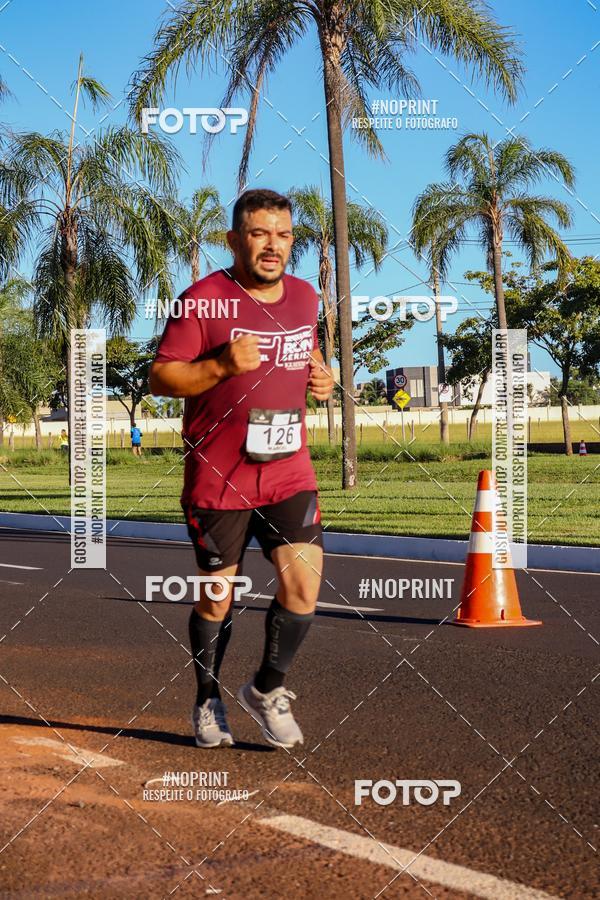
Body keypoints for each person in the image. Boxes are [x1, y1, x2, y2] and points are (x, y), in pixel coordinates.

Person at [150, 188, 334, 749]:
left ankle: (266, 688)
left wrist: (321, 378)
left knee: (304, 585)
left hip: (287, 471)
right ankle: (207, 700)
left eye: (282, 234)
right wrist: (221, 364)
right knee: (216, 598)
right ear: (234, 241)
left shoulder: (306, 297)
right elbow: (161, 378)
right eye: (259, 234)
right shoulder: (201, 301)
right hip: (219, 477)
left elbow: (305, 350)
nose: (271, 245)